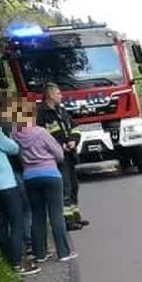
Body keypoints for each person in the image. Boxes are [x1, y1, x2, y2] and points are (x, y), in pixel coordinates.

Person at [12, 98, 76, 262]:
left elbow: (15, 155)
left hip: (29, 177)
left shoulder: (14, 135)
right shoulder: (41, 132)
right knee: (56, 213)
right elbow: (59, 154)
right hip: (50, 174)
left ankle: (40, 254)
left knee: (37, 215)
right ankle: (63, 252)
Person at [0, 101, 38, 275]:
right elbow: (13, 148)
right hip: (5, 183)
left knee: (0, 222)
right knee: (16, 220)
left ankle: (8, 257)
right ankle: (17, 261)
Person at [35, 83, 87, 231]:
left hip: (69, 154)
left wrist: (73, 140)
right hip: (55, 157)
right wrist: (59, 145)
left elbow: (75, 127)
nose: (61, 96)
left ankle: (76, 216)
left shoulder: (61, 110)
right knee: (64, 187)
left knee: (73, 186)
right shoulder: (41, 114)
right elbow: (41, 136)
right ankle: (67, 221)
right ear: (50, 95)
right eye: (58, 94)